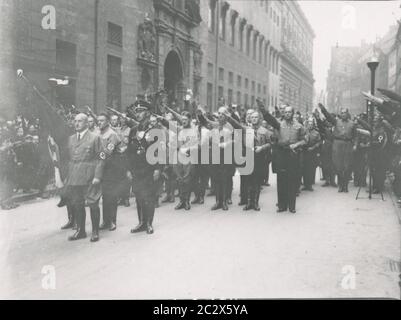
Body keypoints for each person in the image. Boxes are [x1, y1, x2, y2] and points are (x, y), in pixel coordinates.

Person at [65, 113, 105, 242]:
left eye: (80, 121)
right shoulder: (71, 139)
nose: (76, 123)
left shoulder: (95, 138)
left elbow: (101, 158)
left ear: (87, 123)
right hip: (75, 176)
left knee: (93, 203)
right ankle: (81, 230)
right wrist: (67, 176)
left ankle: (95, 231)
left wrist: (98, 176)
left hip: (90, 176)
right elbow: (69, 159)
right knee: (77, 204)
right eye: (75, 121)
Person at [261, 106, 306, 213]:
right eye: (285, 112)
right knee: (281, 180)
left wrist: (296, 145)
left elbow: (305, 140)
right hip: (281, 153)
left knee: (292, 180)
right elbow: (269, 119)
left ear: (293, 113)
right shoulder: (279, 124)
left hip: (293, 154)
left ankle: (291, 206)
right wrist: (263, 110)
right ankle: (282, 205)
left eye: (289, 112)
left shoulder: (299, 126)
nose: (287, 114)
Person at [127, 100, 161, 234]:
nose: (138, 114)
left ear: (147, 113)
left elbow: (160, 151)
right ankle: (141, 222)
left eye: (140, 111)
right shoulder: (134, 130)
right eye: (137, 111)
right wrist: (128, 169)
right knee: (138, 195)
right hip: (136, 168)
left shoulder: (155, 130)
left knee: (148, 196)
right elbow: (129, 151)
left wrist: (158, 168)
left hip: (149, 168)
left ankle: (148, 223)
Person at [98, 113, 126, 231]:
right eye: (98, 121)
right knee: (105, 195)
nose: (99, 123)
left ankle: (112, 221)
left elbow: (108, 152)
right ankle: (105, 221)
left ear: (108, 122)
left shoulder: (112, 134)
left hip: (112, 168)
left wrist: (95, 154)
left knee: (112, 195)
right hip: (102, 167)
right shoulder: (98, 134)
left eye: (102, 120)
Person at [318, 104, 356, 193]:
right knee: (338, 166)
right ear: (340, 114)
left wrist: (355, 145)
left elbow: (355, 136)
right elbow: (328, 116)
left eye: (345, 113)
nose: (343, 114)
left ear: (348, 114)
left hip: (347, 145)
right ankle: (340, 185)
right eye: (342, 113)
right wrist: (323, 109)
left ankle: (345, 186)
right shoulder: (336, 121)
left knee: (346, 166)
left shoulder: (352, 124)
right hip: (337, 145)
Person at [302, 117, 321, 191]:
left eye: (311, 124)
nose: (310, 125)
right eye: (309, 124)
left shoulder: (316, 133)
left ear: (313, 125)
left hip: (312, 153)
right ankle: (305, 184)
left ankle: (309, 185)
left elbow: (319, 142)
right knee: (304, 169)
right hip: (304, 152)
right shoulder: (304, 131)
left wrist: (313, 148)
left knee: (310, 169)